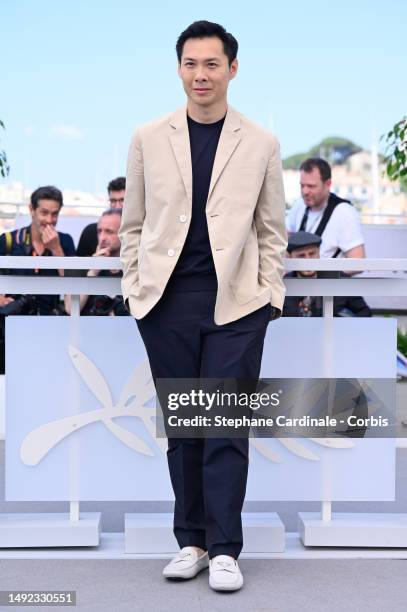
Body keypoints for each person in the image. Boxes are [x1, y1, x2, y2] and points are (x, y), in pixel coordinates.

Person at [119, 20, 287, 592]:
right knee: (184, 428)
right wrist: (135, 292)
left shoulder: (260, 142)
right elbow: (133, 224)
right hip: (166, 302)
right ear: (179, 68)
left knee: (223, 428)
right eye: (191, 63)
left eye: (212, 64)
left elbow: (272, 232)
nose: (201, 75)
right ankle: (189, 541)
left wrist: (271, 298)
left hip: (239, 305)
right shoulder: (148, 136)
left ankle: (224, 549)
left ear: (232, 69)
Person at [0, 185, 76, 372]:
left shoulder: (64, 241)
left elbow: (74, 284)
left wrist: (57, 250)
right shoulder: (9, 240)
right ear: (31, 210)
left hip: (51, 328)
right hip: (13, 327)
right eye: (44, 213)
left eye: (55, 214)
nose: (49, 220)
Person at [286, 158, 365, 261]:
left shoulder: (345, 213)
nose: (305, 191)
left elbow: (358, 260)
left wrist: (326, 274)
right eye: (302, 185)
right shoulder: (299, 204)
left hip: (328, 277)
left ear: (328, 184)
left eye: (311, 186)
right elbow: (284, 238)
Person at [283, 231, 371, 317]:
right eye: (301, 256)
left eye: (312, 253)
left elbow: (364, 312)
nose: (308, 259)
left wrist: (343, 327)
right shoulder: (283, 284)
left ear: (319, 253)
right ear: (291, 257)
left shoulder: (341, 280)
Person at [64, 209, 127, 316]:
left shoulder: (133, 268)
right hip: (86, 330)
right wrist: (93, 271)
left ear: (124, 233)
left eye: (109, 232)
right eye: (99, 231)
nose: (102, 238)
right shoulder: (81, 264)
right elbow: (70, 309)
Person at [76, 177, 126, 256]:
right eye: (113, 201)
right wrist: (96, 262)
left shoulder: (141, 232)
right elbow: (78, 266)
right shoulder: (90, 232)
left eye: (122, 201)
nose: (117, 206)